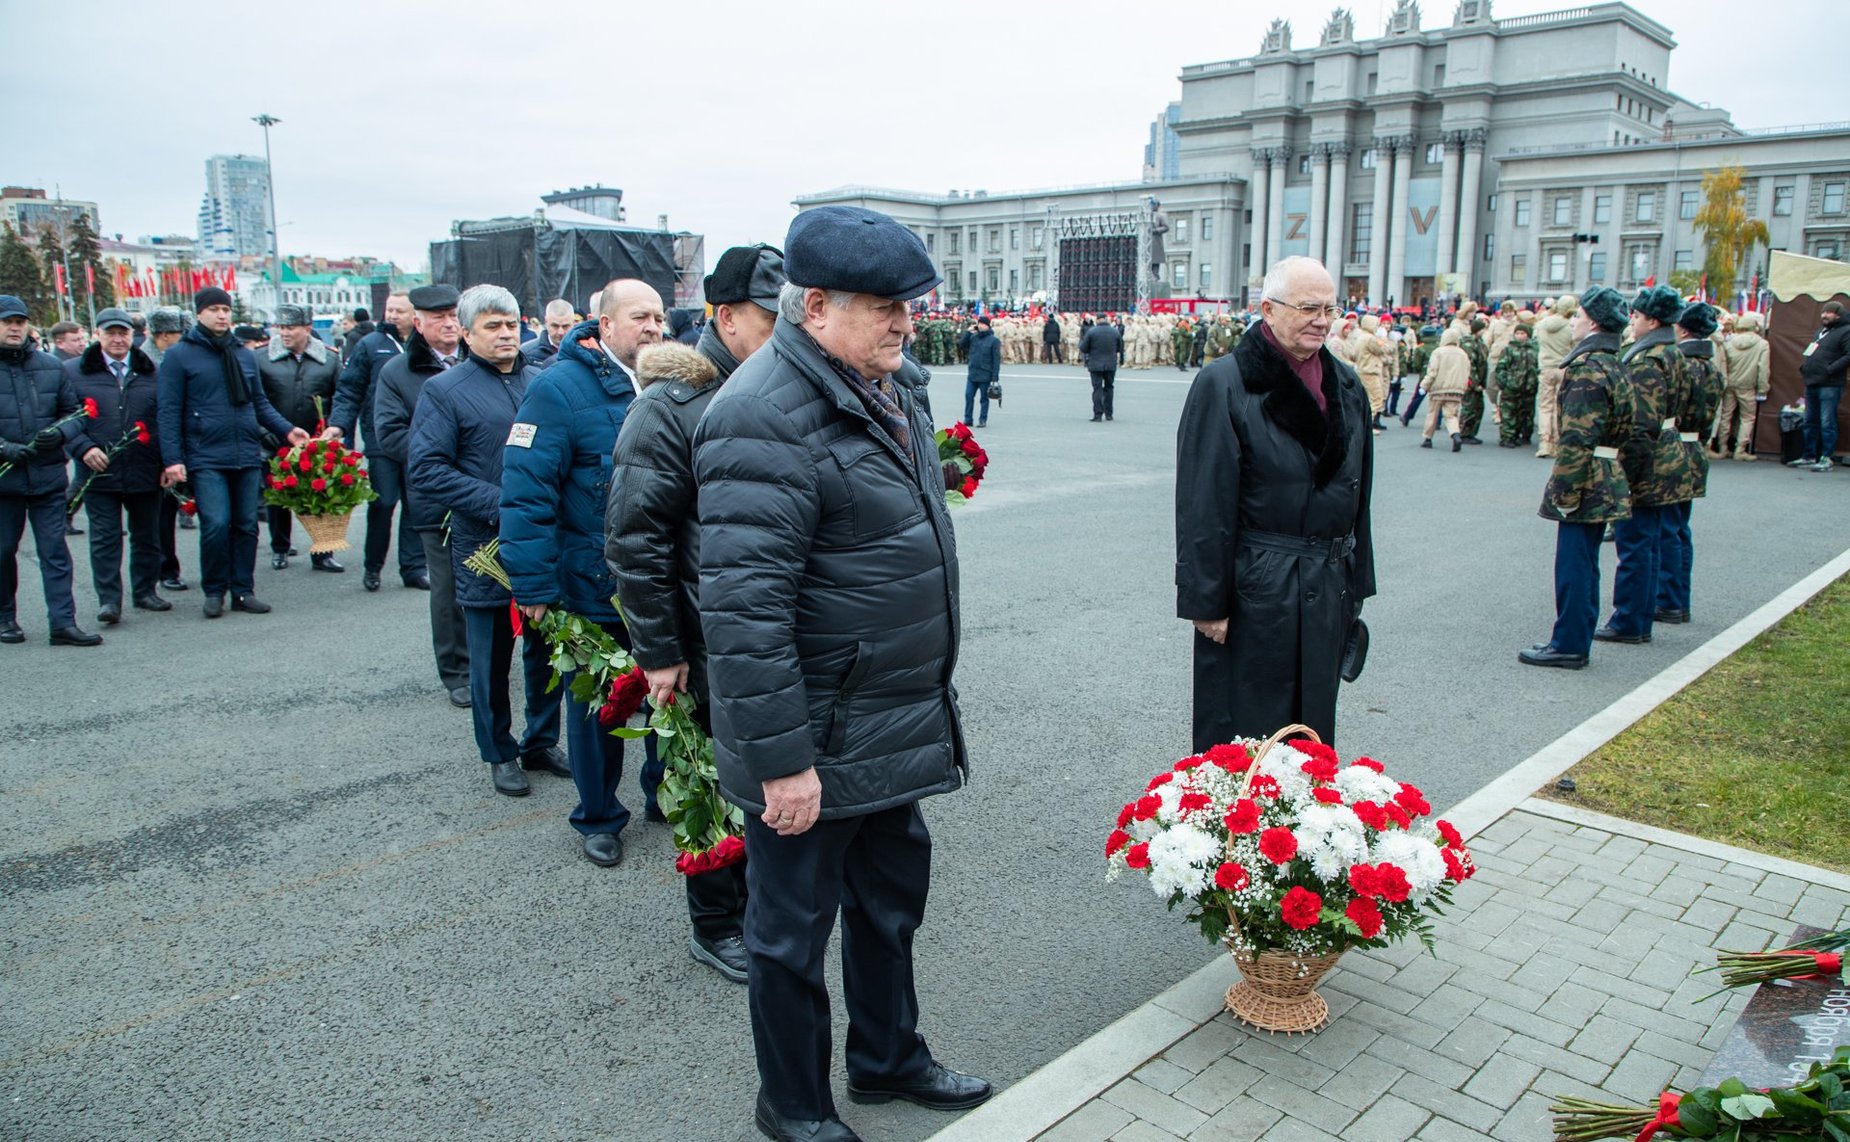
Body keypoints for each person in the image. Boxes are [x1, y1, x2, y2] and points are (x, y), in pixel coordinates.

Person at [694, 207, 988, 1142]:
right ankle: (793, 1108)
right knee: (788, 938)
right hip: (813, 737)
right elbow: (744, 618)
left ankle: (887, 1058)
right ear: (814, 308)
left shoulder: (888, 386)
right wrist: (783, 763)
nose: (906, 323)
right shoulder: (759, 414)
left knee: (889, 908)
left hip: (889, 718)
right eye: (884, 308)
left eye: (909, 305)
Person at [608, 243, 784, 982]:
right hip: (700, 629)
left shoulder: (771, 388)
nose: (785, 333)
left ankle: (761, 909)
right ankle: (714, 922)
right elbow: (634, 534)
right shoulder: (671, 405)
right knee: (709, 776)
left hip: (760, 628)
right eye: (769, 319)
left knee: (766, 775)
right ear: (727, 316)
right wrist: (658, 649)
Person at [1175, 256, 1376, 748]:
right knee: (1244, 735)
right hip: (1258, 586)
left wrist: (1356, 584)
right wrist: (1208, 602)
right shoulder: (1225, 383)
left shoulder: (1347, 383)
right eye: (1309, 307)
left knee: (1311, 733)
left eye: (1330, 308)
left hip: (1326, 582)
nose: (1323, 320)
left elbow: (1360, 494)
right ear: (1268, 308)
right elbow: (1204, 501)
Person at [501, 280, 664, 862]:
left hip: (658, 584)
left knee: (670, 695)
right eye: (640, 316)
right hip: (591, 585)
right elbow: (525, 494)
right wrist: (534, 585)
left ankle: (662, 794)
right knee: (600, 703)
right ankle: (598, 816)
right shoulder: (557, 391)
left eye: (659, 317)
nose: (652, 327)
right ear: (604, 325)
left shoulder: (666, 382)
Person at [407, 285, 561, 796]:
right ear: (467, 332)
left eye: (512, 324)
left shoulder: (544, 380)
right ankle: (498, 749)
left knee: (548, 649)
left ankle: (541, 740)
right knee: (491, 655)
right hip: (484, 545)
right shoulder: (446, 390)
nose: (505, 334)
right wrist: (503, 505)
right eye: (492, 326)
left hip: (541, 540)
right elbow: (427, 469)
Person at [157, 288, 309, 618]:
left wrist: (287, 429)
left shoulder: (242, 353)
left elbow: (259, 403)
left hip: (245, 452)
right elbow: (168, 411)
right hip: (205, 454)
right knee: (215, 523)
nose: (222, 315)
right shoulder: (180, 355)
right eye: (213, 309)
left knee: (246, 525)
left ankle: (243, 590)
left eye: (225, 308)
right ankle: (215, 590)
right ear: (198, 314)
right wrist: (173, 459)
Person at [1520, 287, 1635, 669]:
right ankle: (1575, 637)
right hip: (1606, 471)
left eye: (1579, 315)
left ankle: (1569, 642)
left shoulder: (1588, 367)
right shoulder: (1615, 363)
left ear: (1595, 322)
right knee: (1585, 563)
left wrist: (1566, 491)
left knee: (1574, 566)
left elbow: (1577, 439)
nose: (1574, 321)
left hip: (1587, 477)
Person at [374, 286, 469, 705]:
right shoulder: (398, 372)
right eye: (438, 317)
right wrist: (447, 451)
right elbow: (390, 436)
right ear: (418, 323)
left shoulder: (476, 359)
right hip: (436, 499)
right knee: (448, 589)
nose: (448, 324)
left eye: (453, 316)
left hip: (486, 492)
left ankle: (489, 661)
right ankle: (456, 671)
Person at [1, 295, 100, 647]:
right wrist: (5, 448)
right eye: (7, 322)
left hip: (46, 476)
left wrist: (59, 433)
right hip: (5, 480)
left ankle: (63, 622)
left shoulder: (49, 366)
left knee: (55, 552)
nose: (15, 327)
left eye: (20, 321)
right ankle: (5, 618)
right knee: (2, 551)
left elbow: (75, 413)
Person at [1598, 285, 1690, 646]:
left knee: (1635, 544)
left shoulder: (1649, 360)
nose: (1631, 322)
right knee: (1649, 541)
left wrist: (1627, 474)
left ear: (1652, 321)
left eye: (1635, 316)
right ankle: (1641, 613)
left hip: (1649, 459)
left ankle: (1630, 620)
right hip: (1666, 451)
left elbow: (1641, 425)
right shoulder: (1671, 352)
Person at [63, 307, 168, 624]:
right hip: (99, 470)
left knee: (147, 535)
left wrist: (167, 461)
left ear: (133, 336)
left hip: (144, 467)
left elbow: (164, 419)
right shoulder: (73, 371)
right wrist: (83, 448)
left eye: (124, 333)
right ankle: (109, 600)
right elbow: (65, 418)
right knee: (105, 538)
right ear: (98, 335)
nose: (118, 339)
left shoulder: (151, 370)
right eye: (111, 333)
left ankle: (145, 590)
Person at [332, 291, 424, 593]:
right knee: (383, 502)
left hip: (417, 437)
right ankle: (373, 566)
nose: (393, 315)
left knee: (415, 504)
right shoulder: (370, 345)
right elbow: (350, 389)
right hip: (381, 437)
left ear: (415, 315)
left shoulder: (423, 345)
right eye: (389, 310)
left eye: (400, 310)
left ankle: (413, 568)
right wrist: (338, 425)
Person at [257, 304, 343, 572]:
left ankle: (323, 551)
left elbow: (340, 398)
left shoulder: (329, 360)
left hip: (316, 443)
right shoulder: (261, 358)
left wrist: (334, 431)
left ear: (307, 329)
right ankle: (280, 548)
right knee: (277, 499)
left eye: (291, 327)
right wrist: (266, 435)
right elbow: (255, 402)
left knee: (321, 497)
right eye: (281, 327)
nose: (284, 332)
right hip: (276, 440)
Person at [1657, 302, 1724, 626]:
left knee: (1668, 529)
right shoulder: (1711, 367)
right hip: (1695, 446)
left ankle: (1669, 599)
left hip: (1675, 446)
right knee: (1680, 529)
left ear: (1683, 329)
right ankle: (1677, 597)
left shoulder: (1682, 364)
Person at [142, 308, 194, 590]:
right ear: (163, 336)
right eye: (180, 335)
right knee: (161, 515)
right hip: (156, 448)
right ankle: (166, 569)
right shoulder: (146, 364)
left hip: (187, 444)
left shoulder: (180, 358)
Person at [1794, 299, 1850, 472]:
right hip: (1812, 382)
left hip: (1830, 384)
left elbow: (1849, 355)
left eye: (1828, 312)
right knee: (1810, 421)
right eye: (1823, 312)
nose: (1824, 315)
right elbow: (1813, 350)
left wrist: (1830, 369)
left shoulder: (1846, 331)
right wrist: (1806, 367)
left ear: (1838, 314)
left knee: (1827, 422)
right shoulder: (1821, 332)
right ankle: (1808, 456)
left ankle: (1826, 458)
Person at [1714, 313, 1768, 460]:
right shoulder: (1762, 344)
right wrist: (1763, 388)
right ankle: (1740, 450)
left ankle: (1722, 448)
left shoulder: (1729, 343)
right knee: (1747, 418)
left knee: (1726, 416)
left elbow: (1725, 362)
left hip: (1730, 383)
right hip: (1748, 386)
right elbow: (1763, 369)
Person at [1417, 328, 1471, 452]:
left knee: (1432, 414)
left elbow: (1432, 371)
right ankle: (1455, 434)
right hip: (1456, 390)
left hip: (1438, 389)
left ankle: (1427, 439)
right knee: (1451, 415)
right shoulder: (1463, 354)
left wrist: (1424, 386)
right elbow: (1466, 372)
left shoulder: (1438, 352)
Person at [1495, 323, 1540, 447]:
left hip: (1529, 387)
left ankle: (1524, 435)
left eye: (1523, 333)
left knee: (1527, 413)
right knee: (1509, 413)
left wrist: (1535, 380)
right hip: (1511, 387)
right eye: (1518, 333)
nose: (1520, 336)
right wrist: (1504, 383)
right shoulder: (1509, 349)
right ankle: (1507, 437)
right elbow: (1501, 368)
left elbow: (1538, 366)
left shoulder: (1534, 349)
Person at [1080, 312, 1122, 422]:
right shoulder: (1115, 332)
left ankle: (1098, 414)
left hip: (1095, 364)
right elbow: (1119, 347)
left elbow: (1084, 348)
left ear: (1097, 320)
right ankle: (1109, 414)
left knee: (1097, 389)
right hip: (1110, 364)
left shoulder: (1092, 331)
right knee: (1109, 388)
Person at [518, 299, 576, 369]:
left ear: (573, 323)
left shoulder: (584, 351)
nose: (560, 332)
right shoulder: (526, 352)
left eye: (565, 326)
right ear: (546, 322)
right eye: (555, 326)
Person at [962, 315, 999, 427]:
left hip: (985, 374)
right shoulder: (974, 337)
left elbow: (996, 360)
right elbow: (962, 345)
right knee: (968, 396)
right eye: (979, 323)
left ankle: (983, 419)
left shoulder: (994, 341)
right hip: (973, 373)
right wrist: (968, 332)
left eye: (983, 324)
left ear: (988, 326)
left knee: (984, 399)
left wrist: (995, 378)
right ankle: (968, 419)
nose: (980, 326)